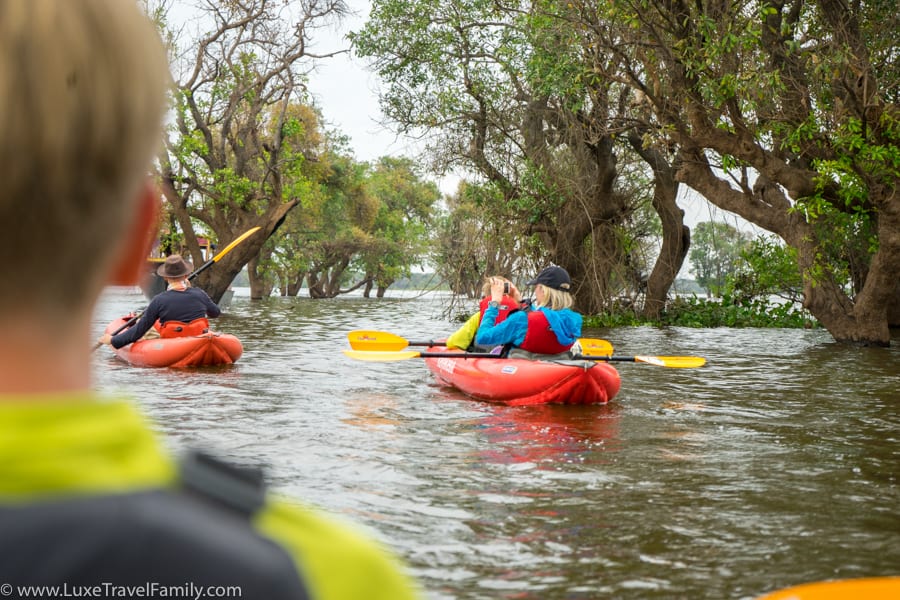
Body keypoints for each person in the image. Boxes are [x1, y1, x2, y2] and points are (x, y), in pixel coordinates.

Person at [0, 1, 419, 598]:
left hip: (173, 343)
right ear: (132, 238)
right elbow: (215, 318)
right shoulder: (333, 571)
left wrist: (115, 342)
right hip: (197, 340)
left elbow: (134, 330)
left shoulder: (158, 305)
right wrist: (180, 328)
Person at [97, 254, 221, 348]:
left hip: (172, 342)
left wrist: (113, 340)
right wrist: (191, 291)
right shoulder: (199, 294)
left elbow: (138, 331)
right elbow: (215, 313)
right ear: (186, 276)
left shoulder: (159, 300)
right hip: (197, 337)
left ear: (166, 277)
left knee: (145, 323)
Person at [475, 265, 582, 357]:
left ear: (543, 290)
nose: (535, 291)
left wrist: (494, 304)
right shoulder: (573, 320)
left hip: (524, 372)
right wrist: (519, 300)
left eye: (536, 287)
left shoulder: (521, 319)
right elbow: (545, 318)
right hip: (559, 368)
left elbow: (482, 338)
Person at [446, 275, 523, 350]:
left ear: (487, 296)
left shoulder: (479, 316)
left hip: (487, 356)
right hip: (514, 356)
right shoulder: (522, 314)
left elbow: (452, 342)